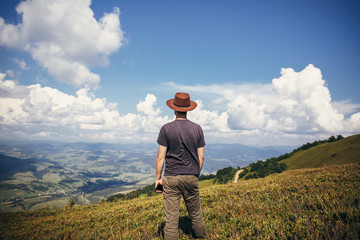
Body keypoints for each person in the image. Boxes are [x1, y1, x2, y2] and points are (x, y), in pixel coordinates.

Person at [155, 92, 208, 239]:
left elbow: (161, 157)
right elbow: (201, 156)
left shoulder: (166, 129)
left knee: (171, 220)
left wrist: (158, 178)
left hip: (171, 177)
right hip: (191, 176)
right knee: (196, 215)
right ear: (188, 109)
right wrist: (195, 173)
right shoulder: (197, 129)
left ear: (174, 109)